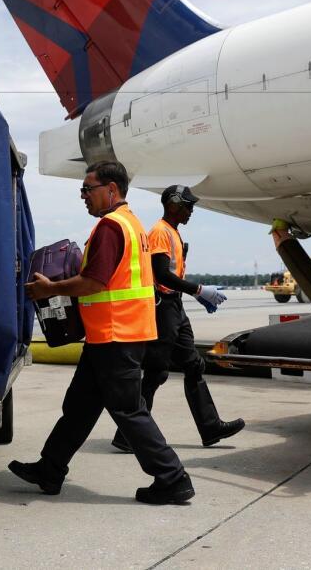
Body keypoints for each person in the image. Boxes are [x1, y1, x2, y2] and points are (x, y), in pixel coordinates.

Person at [11, 161, 194, 505]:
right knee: (79, 407)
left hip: (117, 336)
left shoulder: (111, 227)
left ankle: (173, 478)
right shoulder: (132, 224)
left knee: (128, 411)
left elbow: (95, 282)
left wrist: (50, 289)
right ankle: (49, 470)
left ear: (111, 189)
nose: (83, 196)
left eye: (87, 189)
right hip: (109, 336)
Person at [111, 184, 244, 453]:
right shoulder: (161, 232)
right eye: (188, 205)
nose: (191, 210)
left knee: (194, 365)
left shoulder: (172, 232)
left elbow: (173, 275)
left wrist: (195, 296)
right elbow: (161, 274)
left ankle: (210, 428)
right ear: (172, 204)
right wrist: (198, 289)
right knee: (156, 371)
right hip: (164, 308)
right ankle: (127, 435)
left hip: (175, 307)